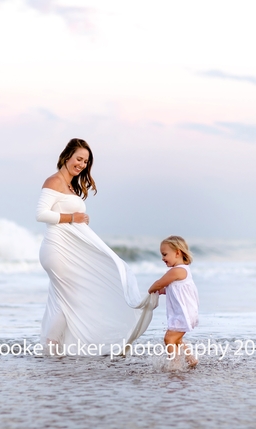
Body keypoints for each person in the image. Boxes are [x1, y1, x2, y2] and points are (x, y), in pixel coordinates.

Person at [35, 138, 157, 354]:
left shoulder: (71, 186)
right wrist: (73, 217)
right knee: (68, 298)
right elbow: (41, 214)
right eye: (78, 159)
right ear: (67, 156)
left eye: (85, 162)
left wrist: (77, 220)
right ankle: (50, 347)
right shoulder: (53, 181)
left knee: (61, 299)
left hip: (67, 251)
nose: (81, 164)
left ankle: (53, 349)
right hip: (57, 250)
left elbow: (71, 218)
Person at [148, 235, 199, 367]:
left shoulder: (177, 270)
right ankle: (191, 359)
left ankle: (175, 365)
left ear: (177, 252)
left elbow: (159, 283)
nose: (162, 258)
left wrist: (151, 290)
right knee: (177, 339)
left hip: (183, 313)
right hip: (185, 312)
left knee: (169, 338)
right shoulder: (183, 271)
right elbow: (175, 290)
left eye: (165, 254)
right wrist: (162, 291)